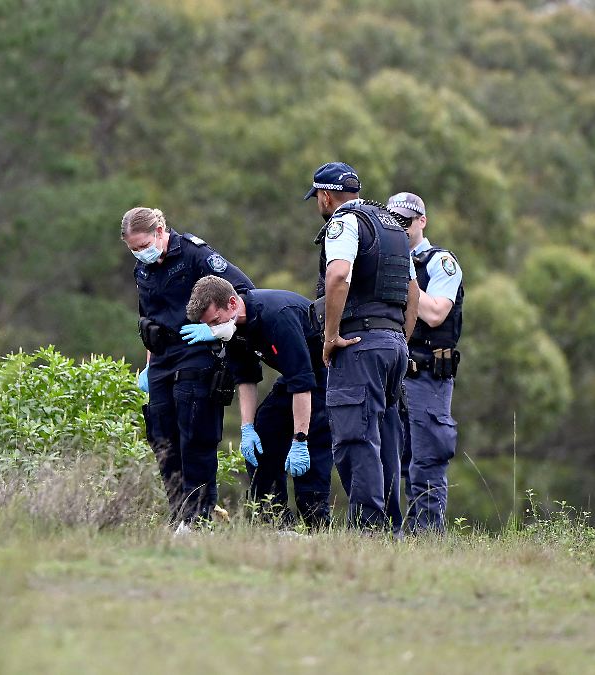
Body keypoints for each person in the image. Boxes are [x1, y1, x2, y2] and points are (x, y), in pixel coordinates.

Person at [304, 162, 419, 532]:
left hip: (359, 344)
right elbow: (413, 294)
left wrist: (331, 336)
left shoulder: (343, 222)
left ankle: (367, 528)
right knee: (385, 436)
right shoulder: (393, 228)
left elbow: (338, 275)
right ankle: (391, 527)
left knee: (356, 437)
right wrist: (401, 336)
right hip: (395, 344)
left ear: (324, 195)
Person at [123, 207, 254, 530]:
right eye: (134, 249)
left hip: (197, 351)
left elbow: (242, 292)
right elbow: (148, 324)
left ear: (160, 230)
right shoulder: (143, 271)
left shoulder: (195, 255)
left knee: (194, 435)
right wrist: (149, 368)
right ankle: (180, 515)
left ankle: (198, 518)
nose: (141, 253)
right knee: (162, 438)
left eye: (144, 245)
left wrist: (215, 330)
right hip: (163, 358)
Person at [181, 275, 332, 528]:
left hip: (325, 379)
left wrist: (300, 440)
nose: (215, 330)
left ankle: (317, 528)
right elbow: (246, 379)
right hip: (294, 381)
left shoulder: (277, 317)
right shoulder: (234, 330)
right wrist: (247, 428)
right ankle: (275, 524)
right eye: (209, 327)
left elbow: (302, 383)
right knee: (264, 435)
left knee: (310, 462)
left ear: (232, 303)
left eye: (216, 322)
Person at [387, 192, 463, 534]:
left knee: (428, 460)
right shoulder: (384, 260)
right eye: (394, 222)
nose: (400, 228)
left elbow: (435, 314)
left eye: (406, 221)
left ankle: (429, 535)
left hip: (430, 376)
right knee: (397, 459)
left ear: (422, 221)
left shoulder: (439, 262)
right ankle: (404, 535)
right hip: (396, 374)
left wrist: (403, 274)